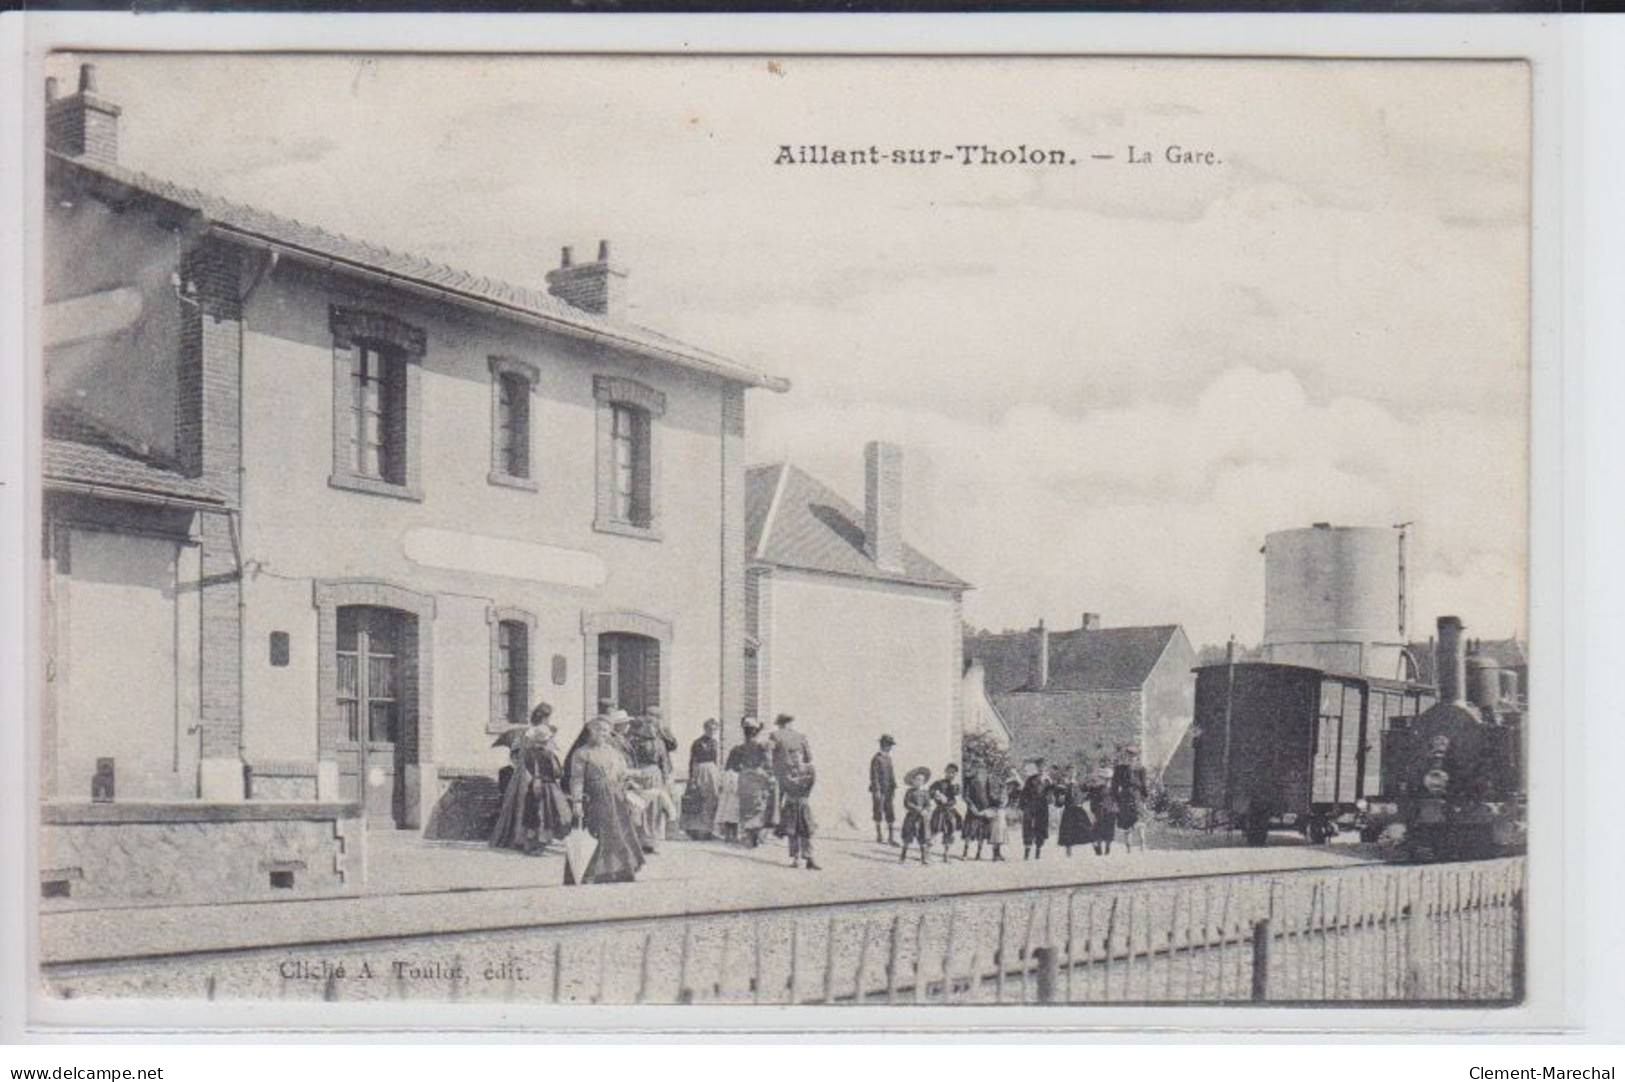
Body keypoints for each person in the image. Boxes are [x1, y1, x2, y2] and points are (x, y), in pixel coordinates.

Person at [565, 716, 645, 884]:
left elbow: (621, 773)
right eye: (600, 730)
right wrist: (577, 802)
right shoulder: (582, 753)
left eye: (607, 731)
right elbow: (577, 779)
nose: (604, 734)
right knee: (597, 833)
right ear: (591, 731)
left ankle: (621, 871)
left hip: (616, 797)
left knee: (620, 832)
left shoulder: (613, 752)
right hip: (595, 797)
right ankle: (589, 874)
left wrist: (635, 779)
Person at [733, 717, 776, 847]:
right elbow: (768, 763)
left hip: (744, 777)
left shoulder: (739, 748)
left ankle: (749, 836)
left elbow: (734, 766)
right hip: (757, 777)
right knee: (758, 806)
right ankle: (755, 837)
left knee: (747, 806)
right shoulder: (762, 746)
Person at [680, 719, 723, 839]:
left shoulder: (715, 743)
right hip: (700, 771)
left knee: (712, 799)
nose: (712, 731)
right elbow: (693, 760)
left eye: (714, 729)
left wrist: (718, 775)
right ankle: (698, 830)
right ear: (705, 728)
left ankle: (710, 829)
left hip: (712, 771)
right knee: (699, 798)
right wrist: (692, 778)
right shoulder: (697, 743)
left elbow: (717, 760)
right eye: (709, 728)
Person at [714, 716, 750, 842]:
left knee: (733, 806)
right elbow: (730, 764)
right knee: (731, 806)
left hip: (737, 777)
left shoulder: (743, 747)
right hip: (735, 777)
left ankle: (733, 834)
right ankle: (731, 834)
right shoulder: (738, 748)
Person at [780, 758, 819, 870]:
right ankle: (796, 859)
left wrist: (798, 780)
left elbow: (810, 781)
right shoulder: (787, 770)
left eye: (798, 755)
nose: (795, 759)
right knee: (793, 832)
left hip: (803, 804)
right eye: (793, 756)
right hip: (791, 805)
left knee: (807, 831)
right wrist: (799, 780)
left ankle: (809, 859)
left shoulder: (809, 769)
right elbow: (787, 784)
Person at [1112, 746, 1150, 853]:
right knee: (1126, 823)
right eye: (1129, 756)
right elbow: (1114, 786)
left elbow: (1144, 786)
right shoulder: (1119, 769)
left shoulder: (1140, 770)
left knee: (1139, 821)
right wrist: (1115, 800)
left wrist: (1145, 800)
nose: (1131, 758)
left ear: (1137, 757)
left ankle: (1143, 844)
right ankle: (1128, 848)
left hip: (1137, 797)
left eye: (1133, 756)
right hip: (1124, 798)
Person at [960, 760, 995, 861]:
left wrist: (990, 808)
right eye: (975, 767)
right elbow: (965, 796)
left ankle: (978, 853)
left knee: (982, 833)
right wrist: (972, 807)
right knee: (969, 832)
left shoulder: (986, 779)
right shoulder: (968, 779)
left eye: (980, 767)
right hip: (973, 810)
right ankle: (965, 852)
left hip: (984, 810)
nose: (978, 769)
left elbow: (990, 794)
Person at [928, 763, 962, 863]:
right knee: (934, 830)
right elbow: (930, 792)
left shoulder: (956, 786)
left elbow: (956, 794)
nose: (951, 774)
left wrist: (951, 787)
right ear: (945, 771)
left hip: (950, 811)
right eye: (949, 772)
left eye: (953, 773)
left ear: (956, 774)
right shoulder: (938, 783)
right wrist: (936, 794)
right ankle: (926, 853)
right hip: (940, 810)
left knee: (950, 832)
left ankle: (946, 855)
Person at [1056, 764, 1093, 857]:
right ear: (1067, 772)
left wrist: (1084, 795)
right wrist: (1061, 798)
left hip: (1078, 808)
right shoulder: (1063, 784)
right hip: (1069, 809)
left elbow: (1086, 792)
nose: (1072, 773)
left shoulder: (1078, 783)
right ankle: (1069, 852)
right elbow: (1059, 800)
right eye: (1070, 771)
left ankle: (1095, 847)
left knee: (1087, 827)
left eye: (1073, 771)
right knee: (1068, 831)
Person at [1020, 760, 1054, 860]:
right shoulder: (1030, 780)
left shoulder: (1047, 780)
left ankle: (1038, 852)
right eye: (1039, 767)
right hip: (1030, 806)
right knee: (1028, 827)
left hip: (1042, 807)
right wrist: (1023, 806)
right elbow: (1023, 794)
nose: (1041, 769)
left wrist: (1050, 793)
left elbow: (1050, 795)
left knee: (1041, 828)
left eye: (1043, 767)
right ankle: (1027, 852)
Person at [899, 767, 933, 864]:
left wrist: (926, 810)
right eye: (917, 779)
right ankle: (903, 856)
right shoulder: (909, 792)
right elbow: (907, 803)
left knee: (922, 837)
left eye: (922, 780)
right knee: (907, 837)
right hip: (911, 817)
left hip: (922, 819)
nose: (919, 782)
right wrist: (918, 809)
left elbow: (928, 805)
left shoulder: (925, 793)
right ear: (913, 781)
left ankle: (923, 858)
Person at [869, 734, 899, 846]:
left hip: (889, 790)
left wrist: (894, 786)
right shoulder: (876, 759)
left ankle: (891, 838)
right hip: (879, 790)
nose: (890, 747)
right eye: (888, 745)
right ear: (883, 745)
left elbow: (891, 774)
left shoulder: (888, 758)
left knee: (890, 812)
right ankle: (879, 835)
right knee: (878, 811)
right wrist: (876, 791)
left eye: (891, 745)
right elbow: (874, 776)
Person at [1088, 765, 1119, 856]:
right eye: (1104, 778)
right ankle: (1100, 848)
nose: (1106, 780)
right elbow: (1092, 799)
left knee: (1107, 830)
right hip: (1101, 811)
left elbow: (1117, 799)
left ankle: (1106, 848)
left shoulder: (1113, 788)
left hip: (1109, 811)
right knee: (1099, 830)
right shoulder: (1097, 788)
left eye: (1107, 779)